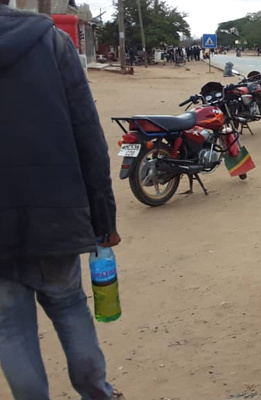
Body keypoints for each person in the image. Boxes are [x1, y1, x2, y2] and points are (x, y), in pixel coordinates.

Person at [0, 4, 123, 400]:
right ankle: (96, 393)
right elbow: (88, 134)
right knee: (70, 306)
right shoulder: (51, 41)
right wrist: (103, 219)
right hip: (55, 212)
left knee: (9, 326)